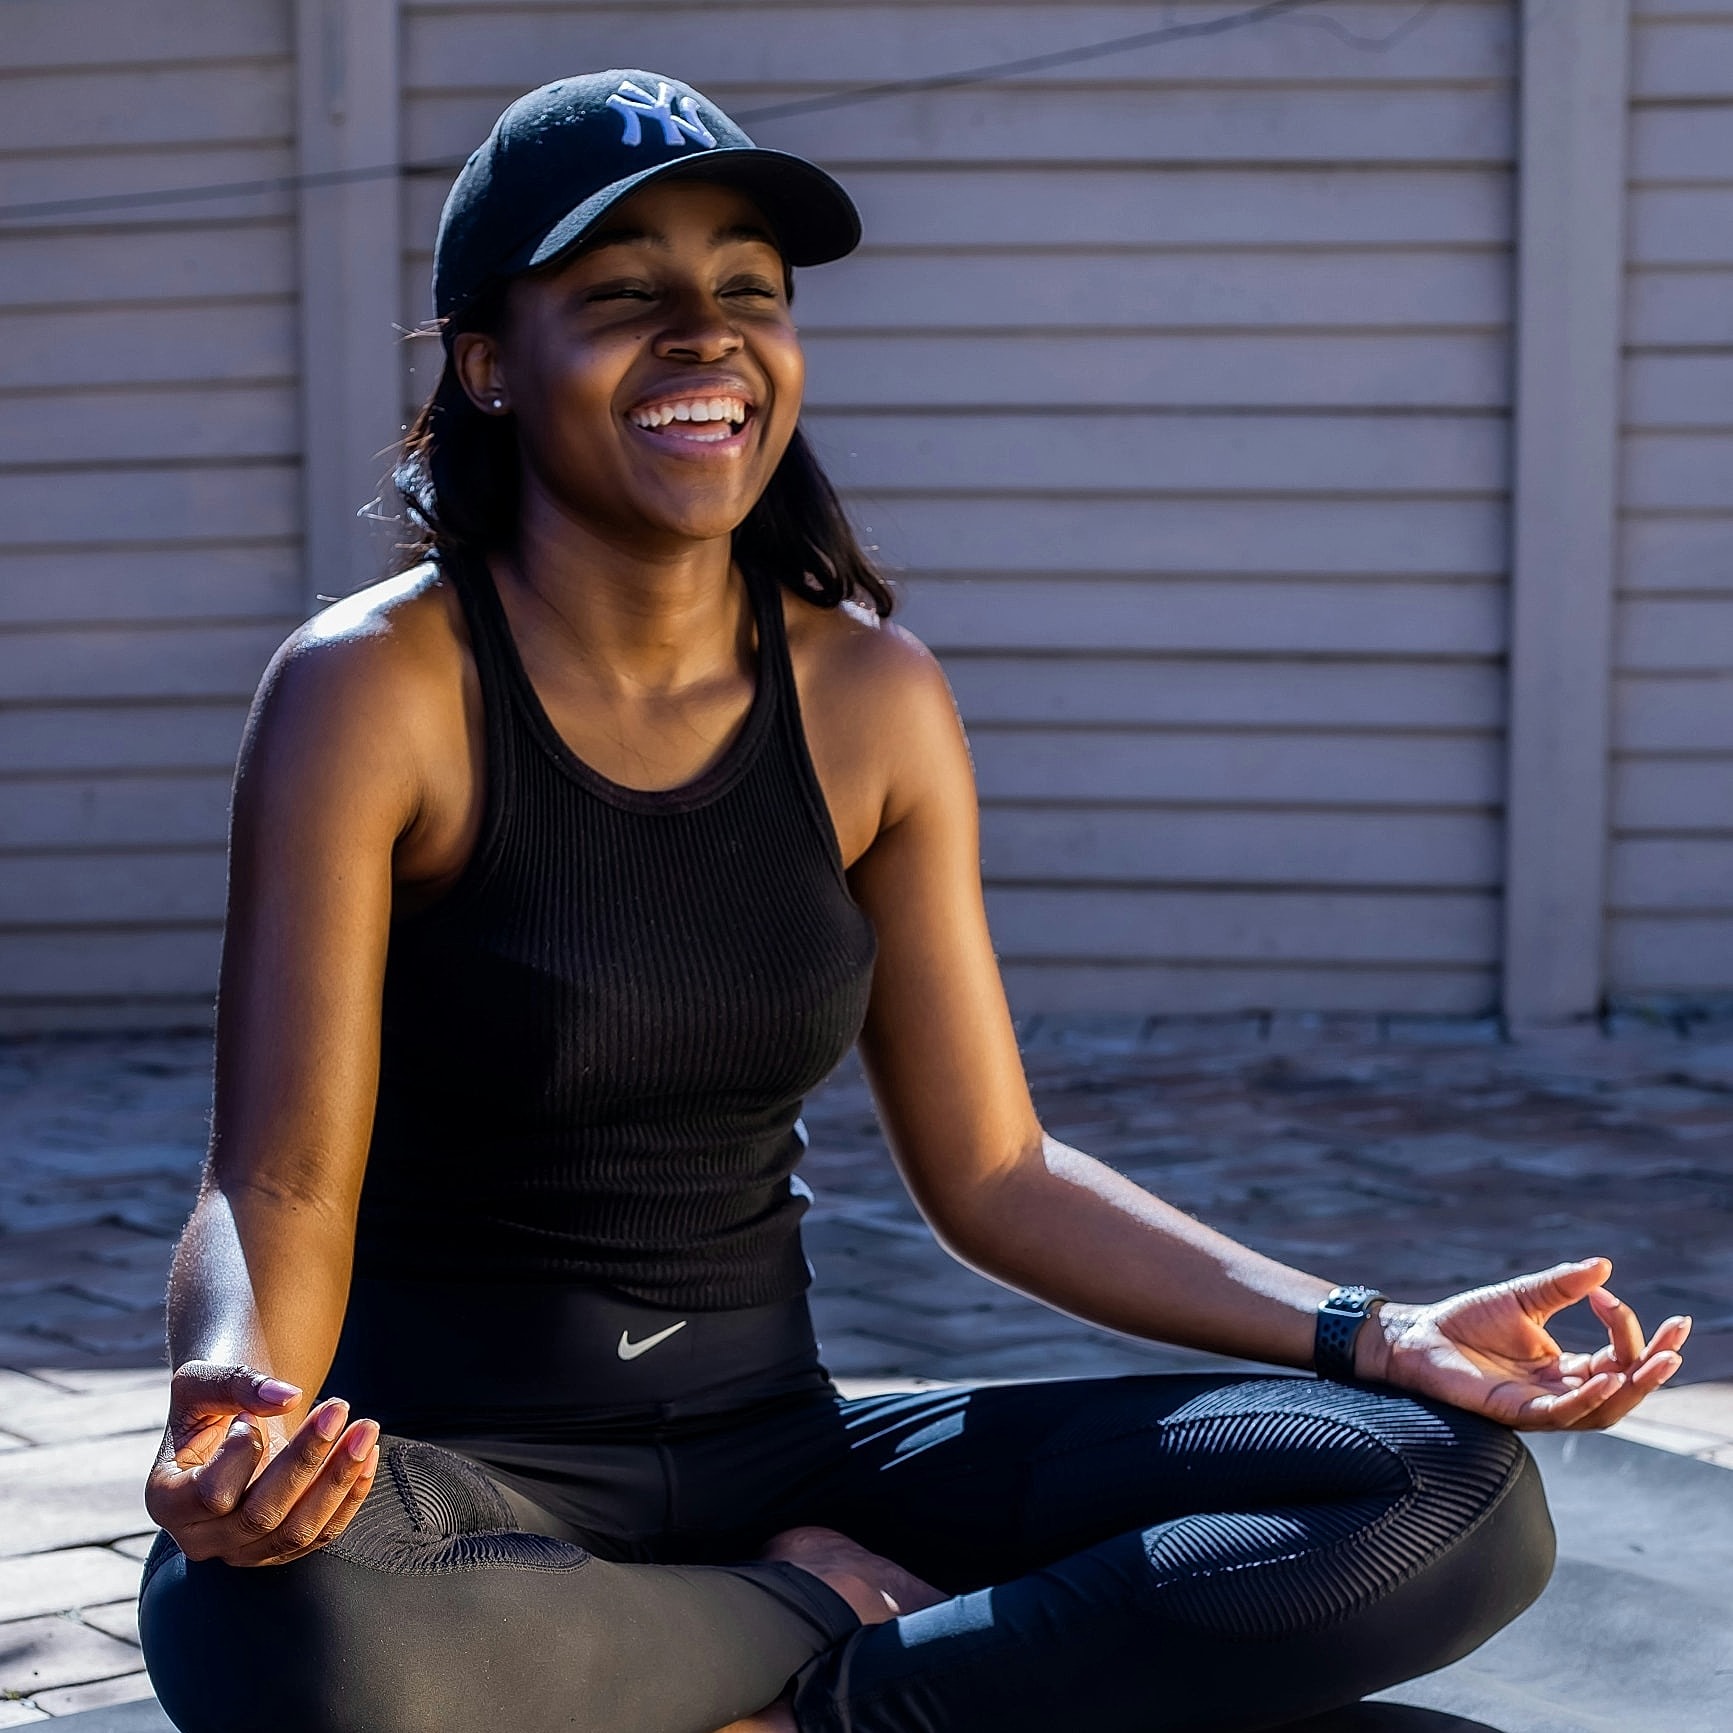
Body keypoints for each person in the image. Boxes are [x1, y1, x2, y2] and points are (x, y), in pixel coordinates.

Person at [137, 71, 1690, 1733]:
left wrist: (1373, 1331)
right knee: (276, 1625)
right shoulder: (374, 689)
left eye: (747, 292)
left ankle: (835, 1694)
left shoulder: (871, 694)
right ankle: (819, 1605)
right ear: (488, 364)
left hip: (788, 1440)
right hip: (467, 1479)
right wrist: (242, 1404)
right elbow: (280, 1169)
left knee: (1439, 1497)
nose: (706, 337)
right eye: (622, 299)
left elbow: (996, 1171)